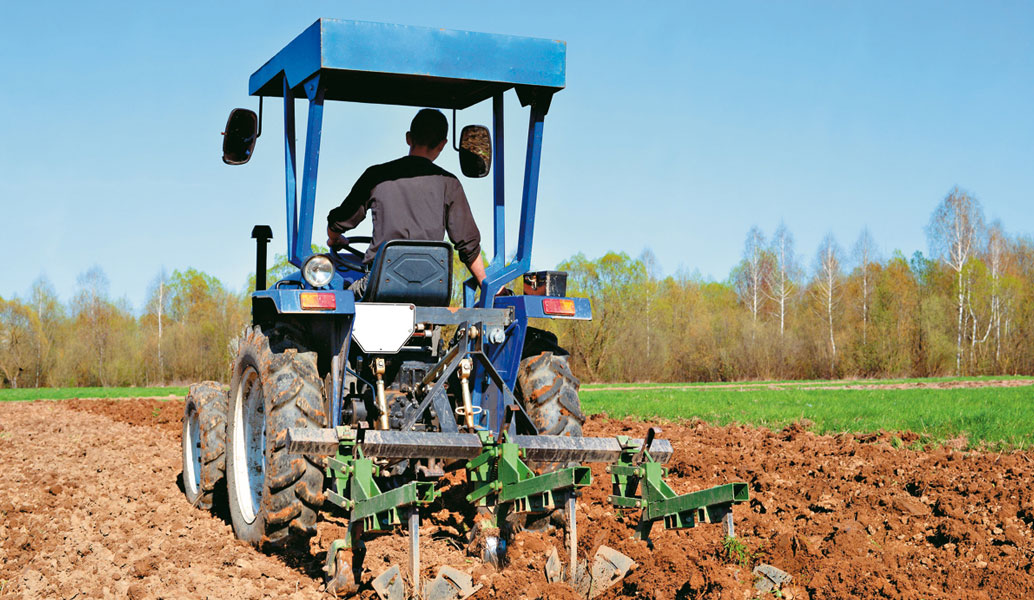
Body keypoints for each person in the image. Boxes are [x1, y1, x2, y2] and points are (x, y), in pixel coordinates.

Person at [326, 108, 487, 298]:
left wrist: (335, 239)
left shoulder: (376, 176)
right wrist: (486, 284)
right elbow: (468, 245)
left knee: (341, 296)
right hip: (432, 289)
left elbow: (340, 221)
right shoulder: (449, 183)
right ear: (443, 144)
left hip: (380, 285)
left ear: (408, 138)